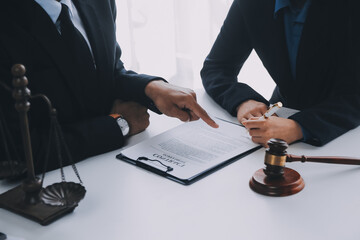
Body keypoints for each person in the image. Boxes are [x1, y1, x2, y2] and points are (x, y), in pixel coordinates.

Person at [0, 0, 218, 173]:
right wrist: (119, 125)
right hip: (49, 194)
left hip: (115, 174)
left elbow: (107, 69)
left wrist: (150, 88)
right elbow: (15, 153)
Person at [201, 0, 360, 147]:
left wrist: (299, 126)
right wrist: (242, 100)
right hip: (278, 120)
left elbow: (354, 96)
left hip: (344, 129)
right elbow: (216, 66)